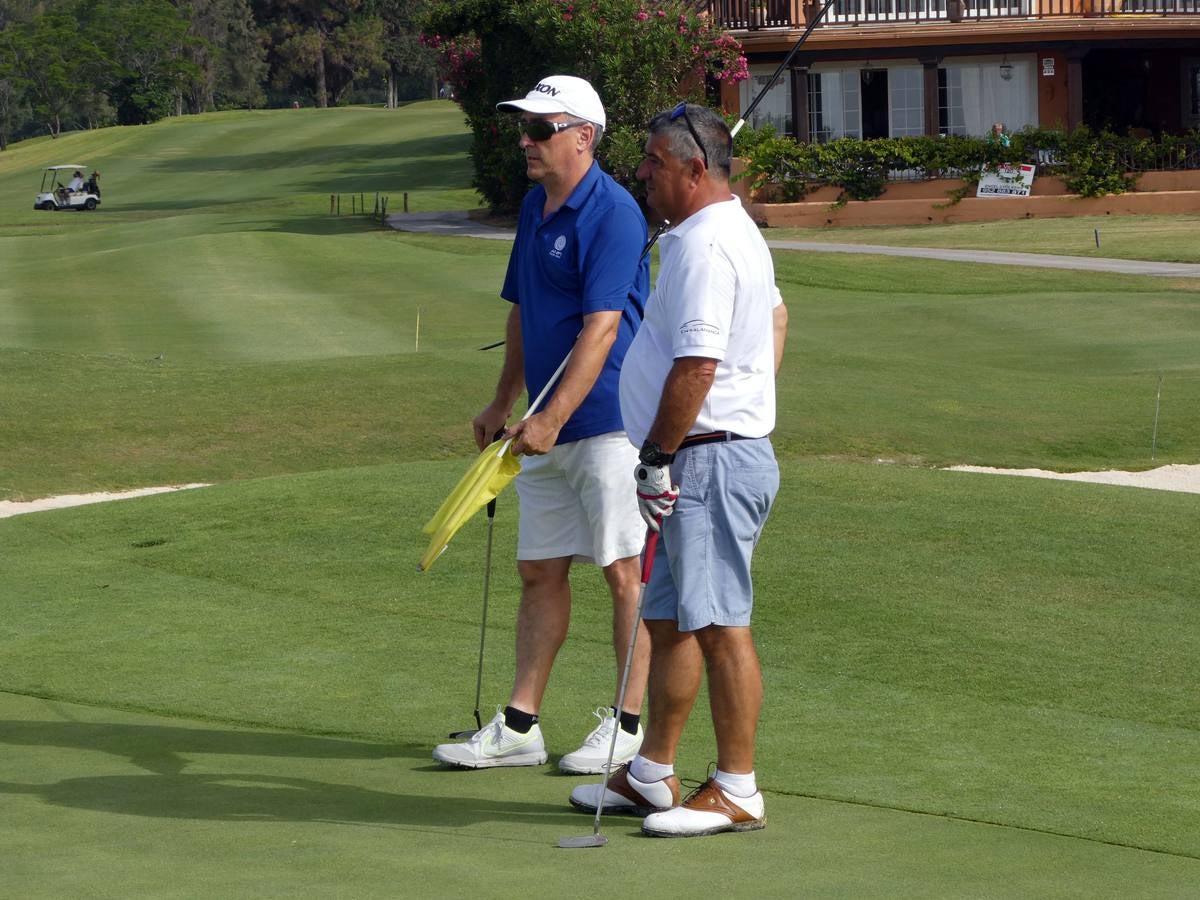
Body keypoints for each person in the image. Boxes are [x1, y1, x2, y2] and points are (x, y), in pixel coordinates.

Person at [569, 103, 787, 837]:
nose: (642, 175)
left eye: (655, 164)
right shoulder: (722, 231)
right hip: (704, 450)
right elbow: (777, 320)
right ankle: (654, 772)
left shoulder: (705, 245)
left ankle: (737, 788)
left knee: (721, 622)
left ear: (695, 171)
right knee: (667, 620)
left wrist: (663, 454)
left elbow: (697, 364)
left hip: (707, 458)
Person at [432, 75, 652, 774]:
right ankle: (522, 725)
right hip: (544, 427)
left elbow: (601, 328)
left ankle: (627, 726)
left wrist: (553, 416)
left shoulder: (614, 213)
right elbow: (524, 310)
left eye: (542, 128)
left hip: (612, 423)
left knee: (624, 573)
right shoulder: (535, 206)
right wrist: (504, 402)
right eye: (524, 128)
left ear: (584, 136)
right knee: (539, 571)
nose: (527, 141)